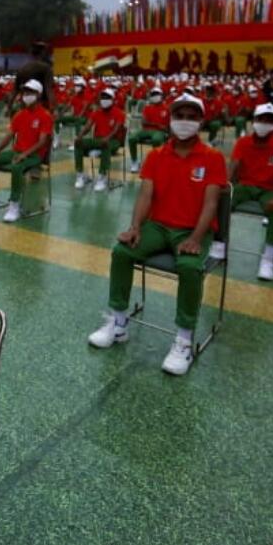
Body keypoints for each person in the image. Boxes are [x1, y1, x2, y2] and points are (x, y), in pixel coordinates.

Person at [88, 93, 227, 375]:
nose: (184, 122)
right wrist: (135, 227)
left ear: (201, 121)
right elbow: (145, 195)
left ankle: (183, 340)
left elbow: (212, 204)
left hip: (191, 230)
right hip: (158, 226)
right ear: (170, 120)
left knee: (189, 267)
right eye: (180, 116)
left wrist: (196, 239)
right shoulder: (156, 155)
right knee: (122, 252)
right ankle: (118, 322)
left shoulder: (212, 158)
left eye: (191, 117)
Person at [224, 103, 273, 281]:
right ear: (254, 120)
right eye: (260, 119)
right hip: (245, 186)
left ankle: (268, 258)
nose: (264, 123)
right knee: (221, 202)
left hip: (269, 189)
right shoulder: (243, 142)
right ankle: (218, 244)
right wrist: (224, 187)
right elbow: (233, 167)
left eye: (269, 120)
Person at [0, 79, 54, 223]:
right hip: (16, 151)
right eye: (25, 92)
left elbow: (42, 141)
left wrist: (25, 154)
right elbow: (9, 135)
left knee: (17, 167)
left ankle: (14, 205)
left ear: (38, 95)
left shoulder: (45, 115)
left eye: (30, 92)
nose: (26, 95)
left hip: (35, 156)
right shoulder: (19, 114)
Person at [73, 88, 126, 192]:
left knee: (106, 145)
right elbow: (88, 126)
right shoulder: (96, 112)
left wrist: (108, 138)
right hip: (97, 140)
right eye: (102, 97)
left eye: (107, 97)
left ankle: (102, 177)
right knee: (78, 143)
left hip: (113, 141)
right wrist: (80, 135)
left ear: (113, 99)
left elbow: (117, 129)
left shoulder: (119, 113)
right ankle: (81, 175)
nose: (104, 100)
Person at [127, 86, 169, 172]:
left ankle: (156, 161)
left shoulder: (167, 108)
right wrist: (157, 124)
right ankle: (134, 161)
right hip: (145, 130)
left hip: (159, 132)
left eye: (157, 94)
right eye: (153, 94)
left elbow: (168, 124)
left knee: (156, 140)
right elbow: (143, 122)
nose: (155, 96)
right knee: (131, 137)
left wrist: (164, 129)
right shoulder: (147, 107)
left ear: (161, 95)